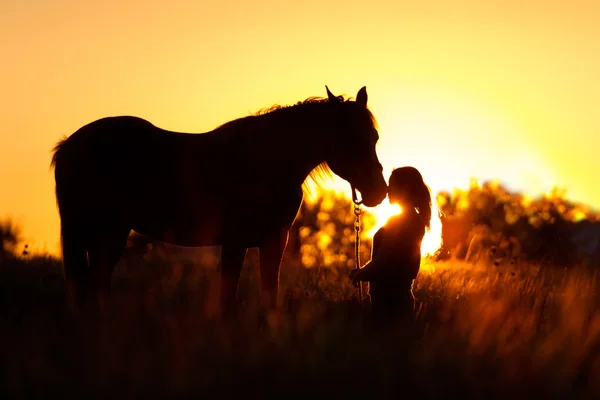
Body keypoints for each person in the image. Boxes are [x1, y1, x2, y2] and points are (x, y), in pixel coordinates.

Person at [349, 166, 432, 332]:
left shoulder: (398, 222)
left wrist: (360, 274)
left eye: (391, 185)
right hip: (400, 297)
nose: (387, 189)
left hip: (388, 302)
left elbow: (382, 261)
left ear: (405, 189)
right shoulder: (415, 220)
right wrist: (364, 271)